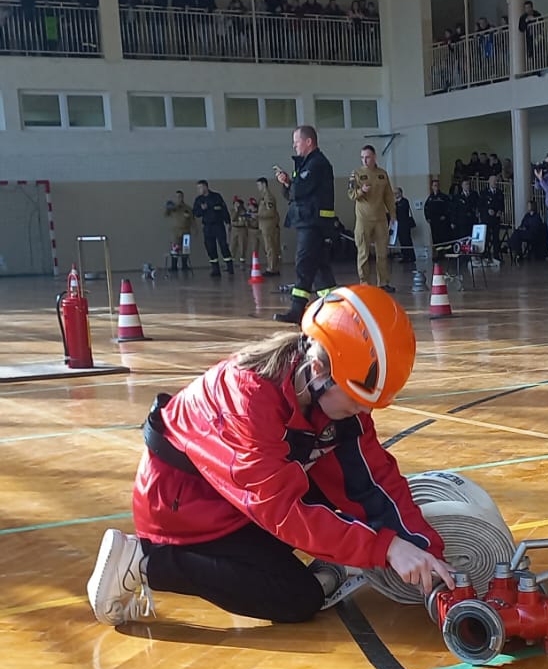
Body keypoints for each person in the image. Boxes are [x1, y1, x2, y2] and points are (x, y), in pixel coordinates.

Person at [87, 285, 454, 627]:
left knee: (349, 501)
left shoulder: (329, 395)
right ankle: (145, 561)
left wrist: (426, 552)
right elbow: (283, 511)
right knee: (296, 597)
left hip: (237, 501)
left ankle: (333, 560)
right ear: (319, 370)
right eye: (358, 399)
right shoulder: (247, 401)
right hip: (185, 514)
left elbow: (373, 482)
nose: (364, 410)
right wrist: (385, 547)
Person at [274, 124, 337, 322]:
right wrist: (288, 183)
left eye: (297, 142)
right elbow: (293, 193)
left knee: (304, 264)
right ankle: (334, 307)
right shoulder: (307, 164)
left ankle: (297, 310)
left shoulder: (316, 164)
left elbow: (299, 191)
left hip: (314, 223)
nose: (294, 146)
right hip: (310, 221)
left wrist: (291, 185)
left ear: (308, 141)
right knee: (319, 266)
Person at [349, 144, 395, 288]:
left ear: (374, 157)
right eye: (362, 157)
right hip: (364, 219)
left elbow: (388, 196)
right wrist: (361, 191)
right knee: (363, 253)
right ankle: (365, 283)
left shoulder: (382, 174)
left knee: (382, 253)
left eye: (368, 157)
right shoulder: (356, 173)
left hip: (380, 218)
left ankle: (383, 282)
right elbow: (351, 194)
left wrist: (393, 214)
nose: (365, 160)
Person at [191, 180, 233, 278]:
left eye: (200, 187)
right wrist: (202, 209)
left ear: (206, 187)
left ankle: (230, 267)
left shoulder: (216, 197)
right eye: (198, 188)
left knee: (223, 246)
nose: (199, 190)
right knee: (210, 247)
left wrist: (228, 222)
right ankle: (215, 269)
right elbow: (196, 213)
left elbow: (223, 209)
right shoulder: (199, 200)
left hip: (218, 225)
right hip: (207, 226)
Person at [254, 177, 283, 270]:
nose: (258, 187)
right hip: (264, 226)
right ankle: (272, 266)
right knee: (268, 248)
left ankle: (272, 268)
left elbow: (271, 212)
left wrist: (258, 215)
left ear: (264, 185)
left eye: (259, 185)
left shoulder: (268, 197)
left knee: (270, 247)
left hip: (269, 226)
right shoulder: (263, 197)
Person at [393, 186, 417, 272]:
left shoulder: (404, 201)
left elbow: (403, 211)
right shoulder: (395, 203)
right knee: (402, 241)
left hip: (405, 224)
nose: (395, 194)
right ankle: (405, 256)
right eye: (394, 193)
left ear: (401, 193)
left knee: (407, 240)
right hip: (398, 225)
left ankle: (411, 256)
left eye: (397, 193)